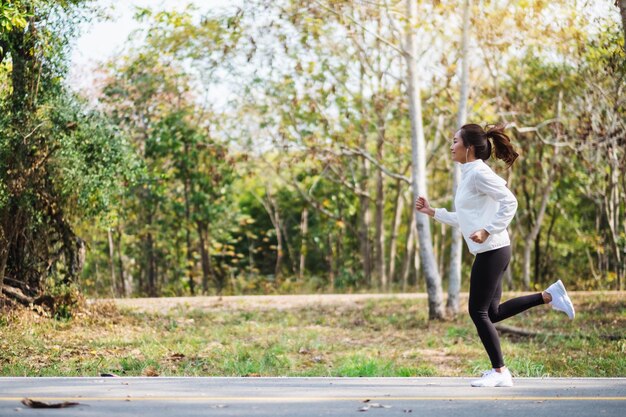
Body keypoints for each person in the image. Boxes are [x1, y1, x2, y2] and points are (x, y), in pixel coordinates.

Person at [414, 123, 575, 388]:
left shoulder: (478, 174)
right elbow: (467, 219)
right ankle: (548, 295)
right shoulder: (469, 176)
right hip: (493, 249)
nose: (451, 146)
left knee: (477, 312)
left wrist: (488, 231)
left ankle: (500, 371)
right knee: (493, 312)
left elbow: (510, 201)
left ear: (470, 148)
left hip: (493, 249)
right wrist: (433, 212)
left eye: (455, 141)